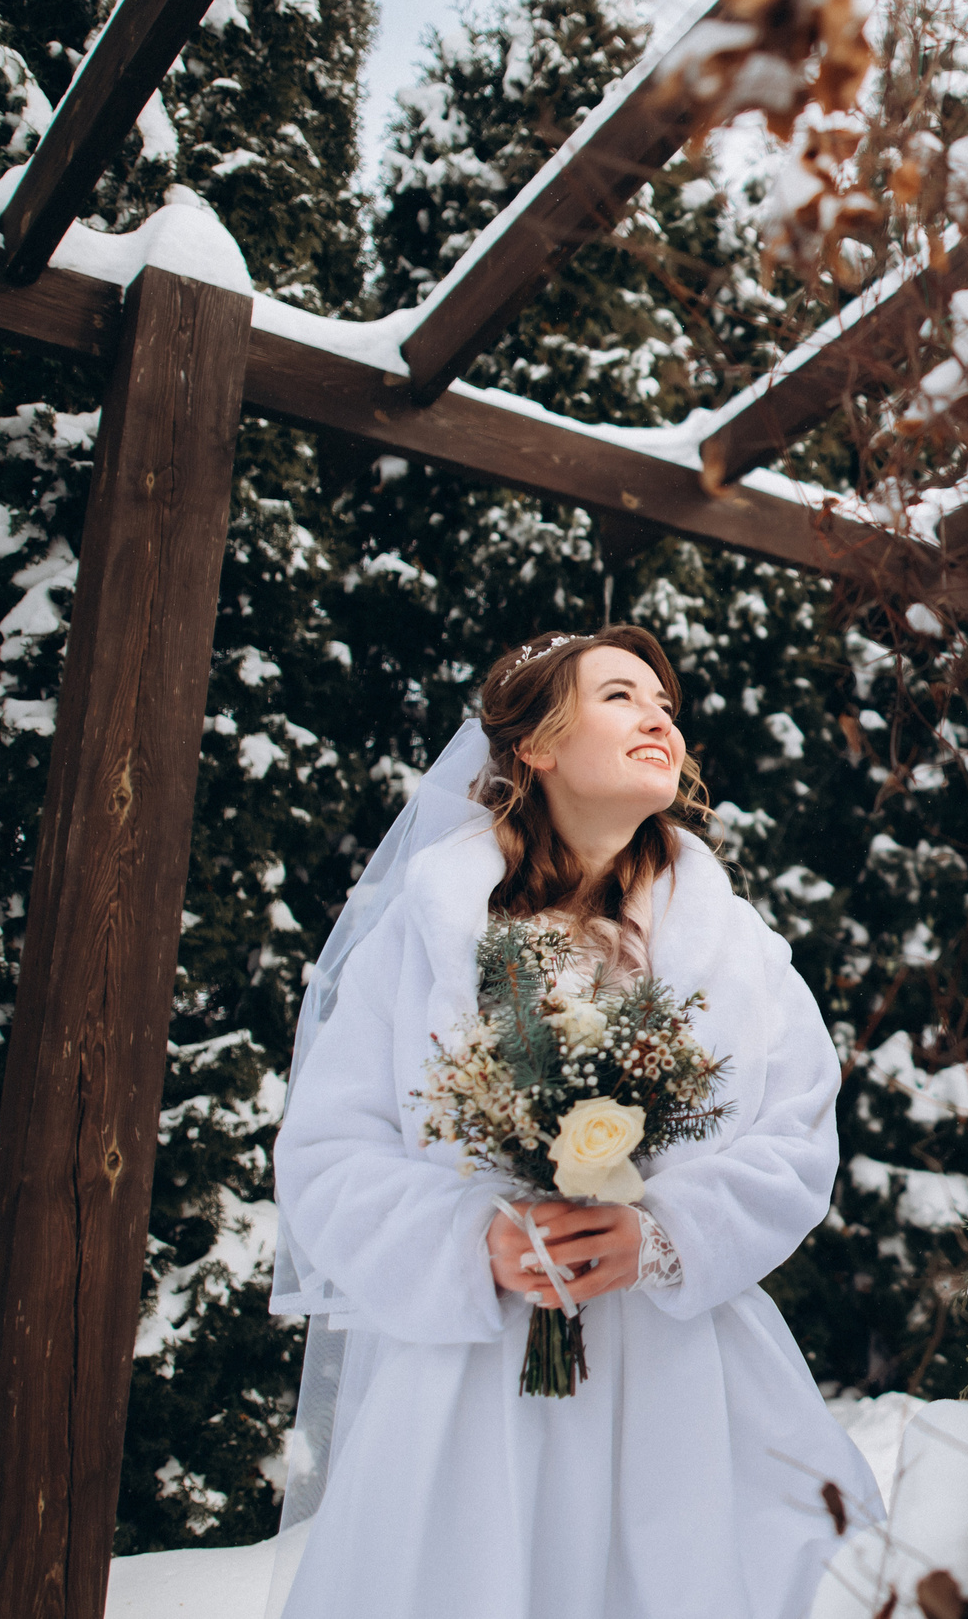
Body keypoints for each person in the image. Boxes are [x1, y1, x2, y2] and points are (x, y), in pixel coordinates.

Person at [270, 626, 880, 1619]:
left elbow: (797, 1130)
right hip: (475, 1379)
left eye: (666, 704)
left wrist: (667, 1231)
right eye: (619, 696)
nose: (658, 715)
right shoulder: (423, 928)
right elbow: (331, 1147)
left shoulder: (736, 941)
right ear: (537, 748)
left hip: (688, 1379)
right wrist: (474, 1239)